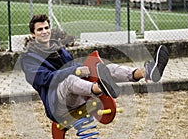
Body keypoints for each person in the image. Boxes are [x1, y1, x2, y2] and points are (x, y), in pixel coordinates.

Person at [20, 14, 169, 123]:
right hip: (58, 104)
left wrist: (86, 69)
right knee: (70, 79)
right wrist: (74, 71)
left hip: (78, 94)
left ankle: (146, 72)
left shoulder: (58, 50)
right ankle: (100, 87)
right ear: (33, 34)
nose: (45, 31)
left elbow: (73, 66)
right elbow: (45, 79)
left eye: (46, 28)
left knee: (105, 68)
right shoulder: (29, 59)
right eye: (40, 30)